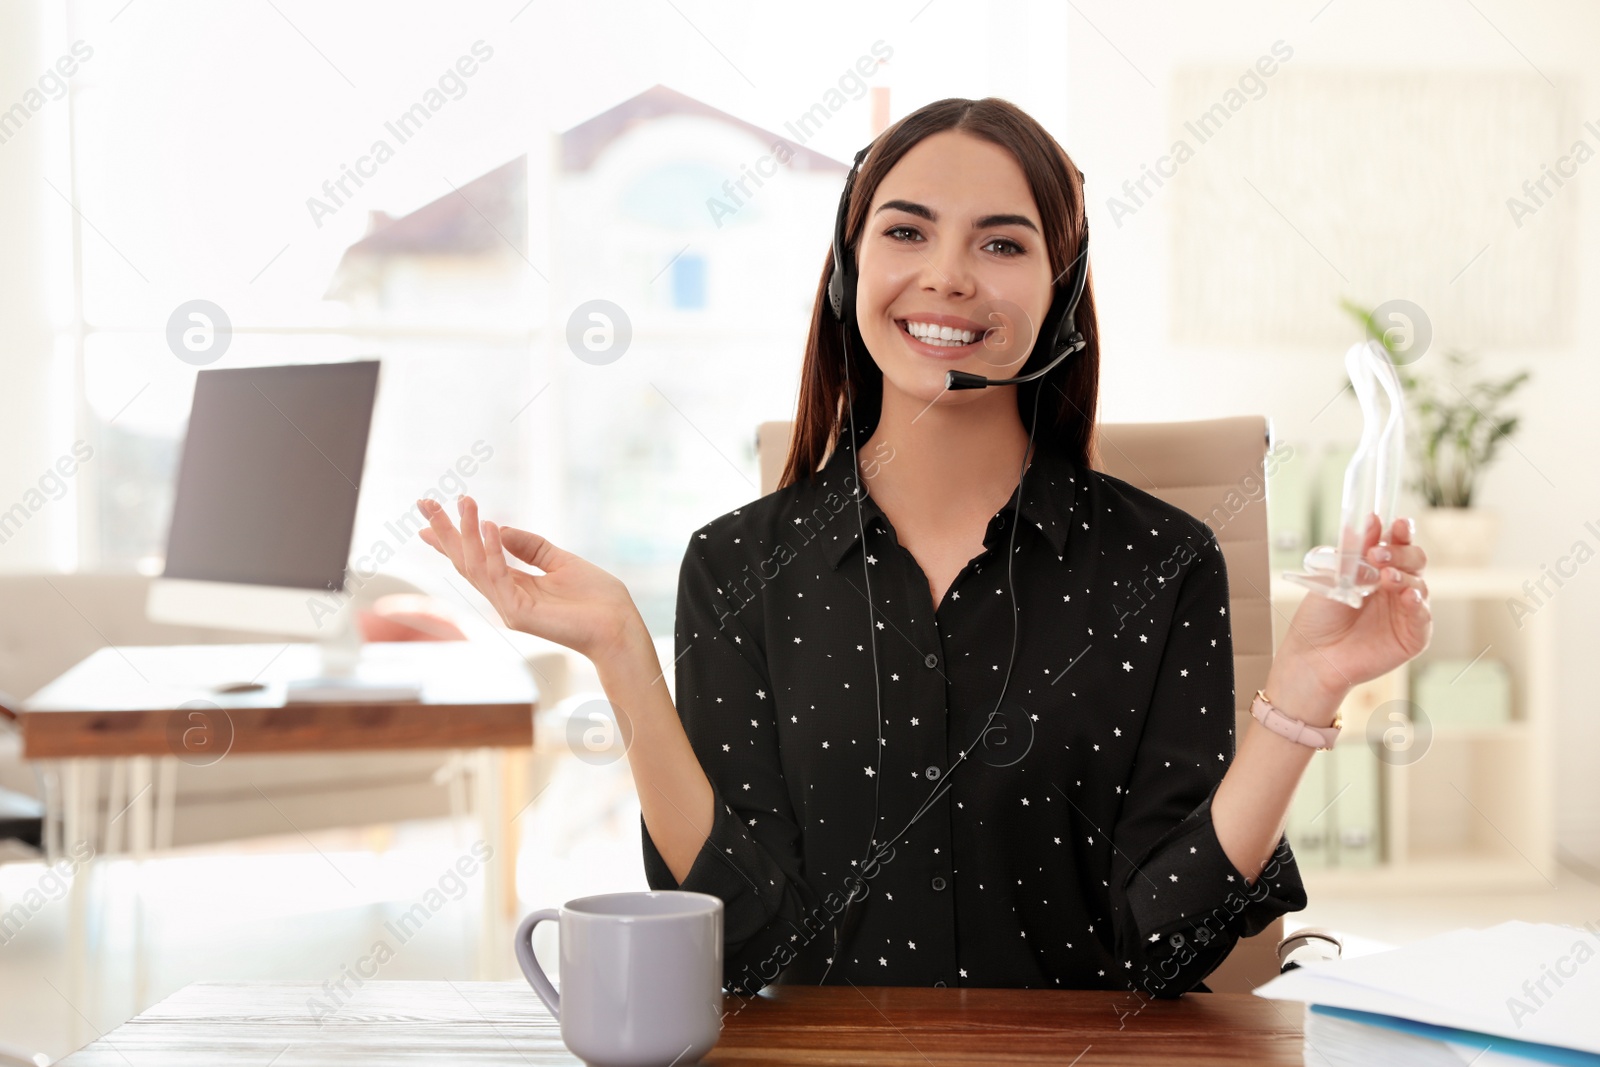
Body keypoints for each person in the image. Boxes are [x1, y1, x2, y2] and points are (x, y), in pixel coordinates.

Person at [418, 96, 1431, 998]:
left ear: (1061, 288)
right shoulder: (734, 566)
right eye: (906, 231)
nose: (947, 278)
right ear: (850, 269)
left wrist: (1305, 688)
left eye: (1001, 244)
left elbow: (1164, 948)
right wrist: (622, 658)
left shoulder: (1163, 562)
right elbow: (749, 947)